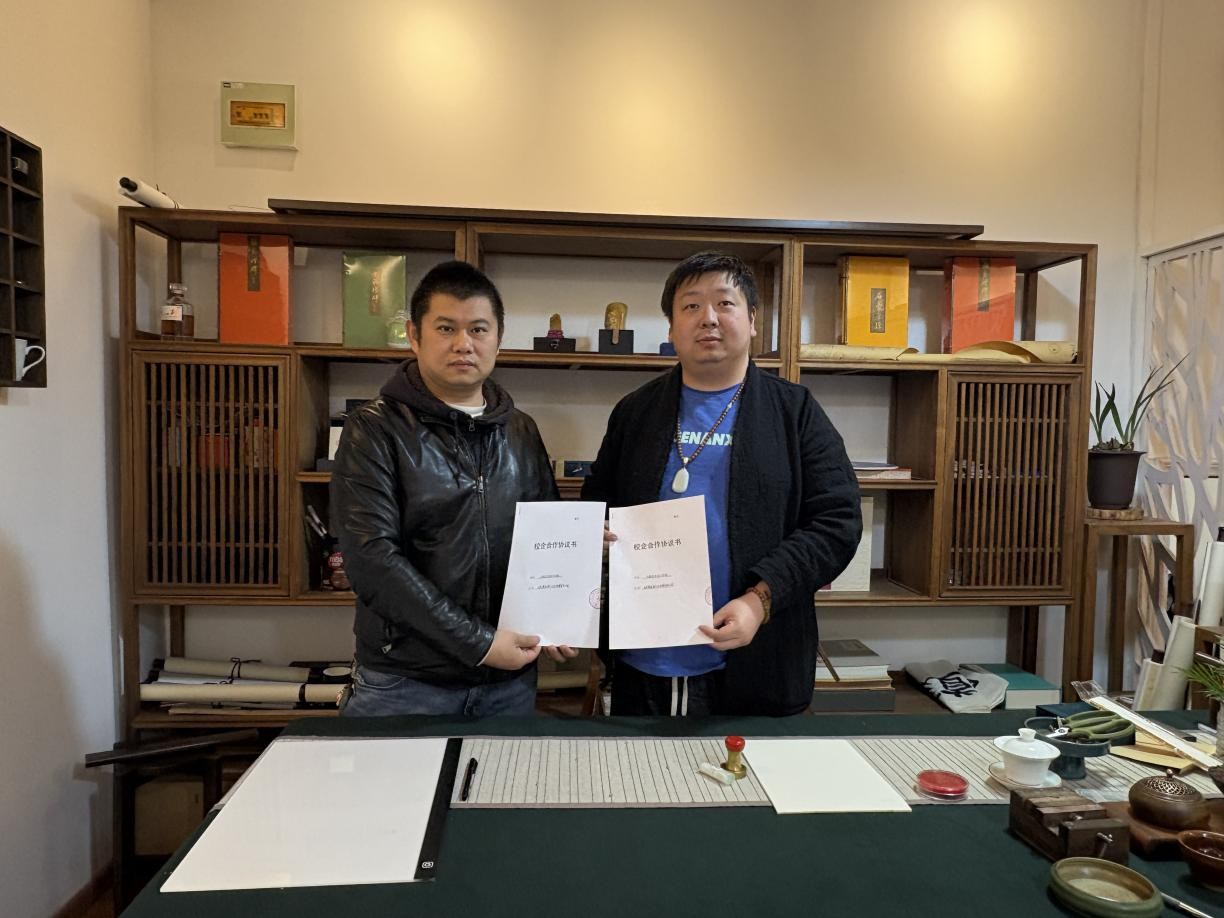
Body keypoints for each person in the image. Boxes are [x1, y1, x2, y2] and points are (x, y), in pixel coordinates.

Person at [582, 251, 862, 716]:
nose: (708, 317)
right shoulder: (635, 411)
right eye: (691, 306)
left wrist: (760, 600)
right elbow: (597, 502)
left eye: (724, 303)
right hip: (645, 656)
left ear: (752, 321)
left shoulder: (794, 412)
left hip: (758, 657)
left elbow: (838, 522)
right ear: (671, 328)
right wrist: (597, 533)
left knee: (745, 766)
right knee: (644, 764)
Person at [332, 260, 569, 716]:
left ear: (498, 338)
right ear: (414, 335)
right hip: (406, 683)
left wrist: (559, 613)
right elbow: (373, 561)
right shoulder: (374, 429)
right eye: (446, 328)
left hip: (508, 682)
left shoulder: (520, 430)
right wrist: (480, 644)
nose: (464, 344)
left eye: (478, 329)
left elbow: (546, 536)